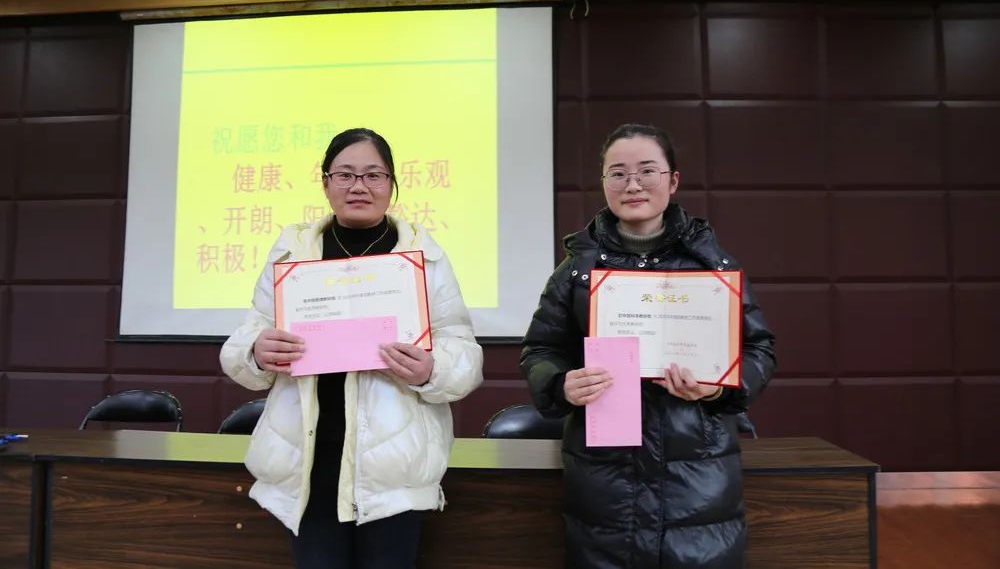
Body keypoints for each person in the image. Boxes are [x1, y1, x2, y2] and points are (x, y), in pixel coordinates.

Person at [221, 127, 483, 569]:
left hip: (392, 471)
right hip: (308, 466)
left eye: (373, 175)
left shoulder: (425, 257)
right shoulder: (292, 253)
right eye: (344, 174)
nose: (358, 186)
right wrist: (256, 352)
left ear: (392, 184)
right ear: (325, 183)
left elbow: (465, 356)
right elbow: (242, 343)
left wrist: (431, 369)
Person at [520, 123, 776, 569]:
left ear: (673, 181)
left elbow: (759, 350)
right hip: (605, 479)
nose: (633, 185)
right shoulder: (576, 270)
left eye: (647, 171)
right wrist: (561, 384)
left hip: (698, 479)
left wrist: (718, 388)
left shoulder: (711, 265)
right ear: (603, 183)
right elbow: (540, 350)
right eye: (617, 173)